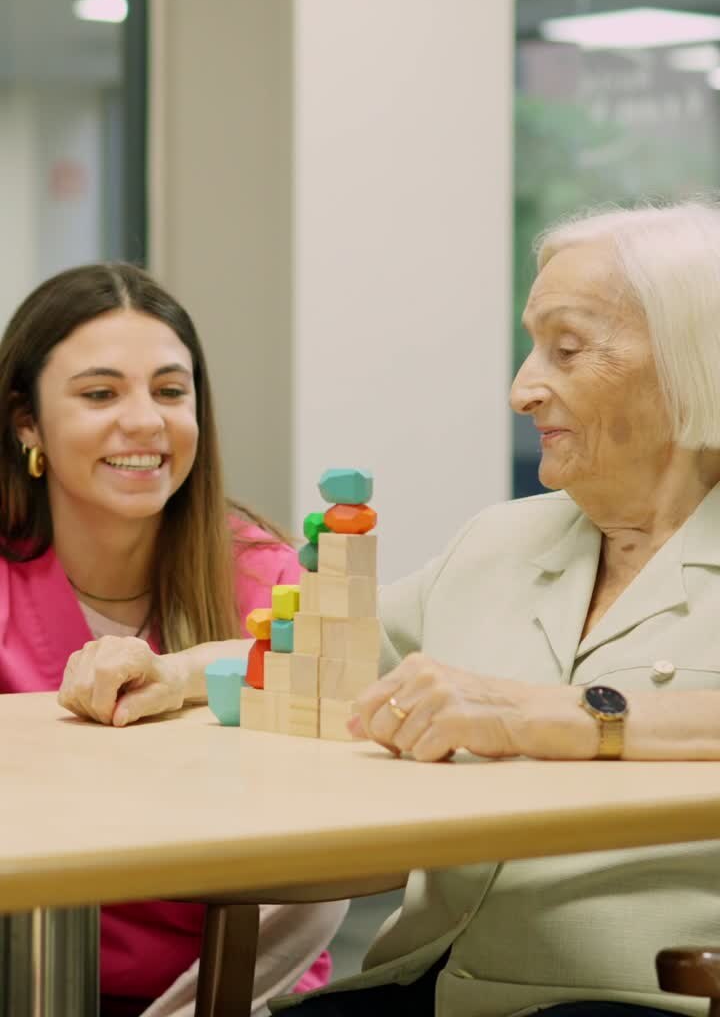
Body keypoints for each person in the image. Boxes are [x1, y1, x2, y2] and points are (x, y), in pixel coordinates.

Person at [59, 200, 720, 1017]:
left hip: (632, 996)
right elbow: (322, 653)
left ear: (692, 363)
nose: (522, 389)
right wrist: (169, 670)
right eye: (530, 346)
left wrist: (560, 717)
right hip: (429, 984)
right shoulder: (500, 542)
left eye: (568, 350)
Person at [0, 262, 345, 1017]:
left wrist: (184, 671)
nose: (146, 422)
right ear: (27, 422)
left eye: (169, 391)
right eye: (99, 394)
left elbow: (333, 712)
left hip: (234, 989)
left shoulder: (265, 573)